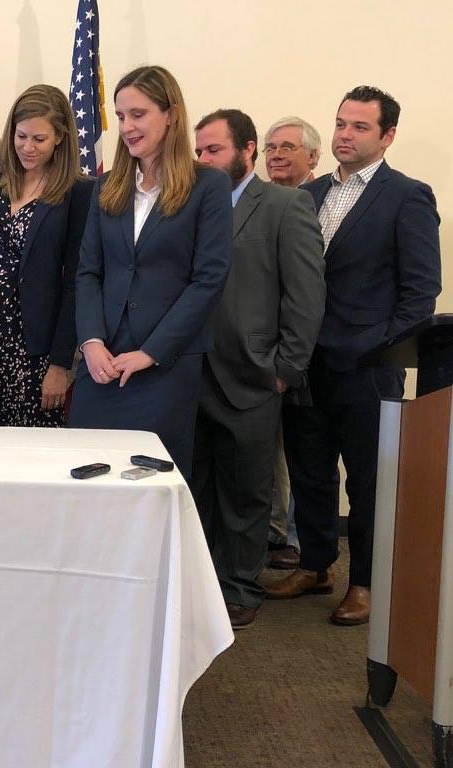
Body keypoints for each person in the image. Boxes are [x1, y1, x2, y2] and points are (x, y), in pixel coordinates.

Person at [267, 86, 442, 626]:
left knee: (367, 482)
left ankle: (365, 581)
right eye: (341, 124)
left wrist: (379, 347)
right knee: (310, 470)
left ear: (387, 136)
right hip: (304, 362)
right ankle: (317, 565)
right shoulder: (308, 193)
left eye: (360, 127)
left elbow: (420, 291)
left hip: (366, 367)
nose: (345, 134)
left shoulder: (407, 196)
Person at [191, 108, 325, 628]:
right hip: (191, 372)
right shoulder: (191, 204)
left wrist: (285, 369)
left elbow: (306, 296)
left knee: (247, 493)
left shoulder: (284, 206)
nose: (203, 160)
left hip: (252, 375)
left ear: (248, 151)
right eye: (199, 151)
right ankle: (202, 586)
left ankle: (241, 589)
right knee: (198, 488)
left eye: (214, 150)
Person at [67, 65, 232, 478]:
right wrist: (90, 341)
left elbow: (208, 279)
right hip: (101, 363)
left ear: (170, 114)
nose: (126, 126)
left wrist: (150, 353)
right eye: (121, 116)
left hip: (164, 365)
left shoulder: (207, 186)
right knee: (86, 476)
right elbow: (88, 272)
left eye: (138, 114)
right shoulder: (107, 187)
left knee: (151, 486)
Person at [0, 85, 94, 427]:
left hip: (32, 348)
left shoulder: (77, 192)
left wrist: (61, 363)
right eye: (21, 136)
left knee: (29, 445)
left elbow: (74, 283)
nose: (27, 147)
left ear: (61, 138)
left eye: (39, 139)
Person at [263, 115, 324, 568]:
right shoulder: (255, 203)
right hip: (262, 351)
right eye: (270, 147)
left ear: (313, 157)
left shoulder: (313, 202)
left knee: (309, 456)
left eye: (288, 147)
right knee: (271, 450)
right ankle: (275, 533)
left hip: (312, 354)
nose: (277, 155)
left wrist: (290, 359)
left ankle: (302, 544)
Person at [264, 116, 321, 188]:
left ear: (311, 156)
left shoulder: (324, 196)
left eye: (286, 148)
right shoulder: (254, 196)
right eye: (271, 148)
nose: (276, 155)